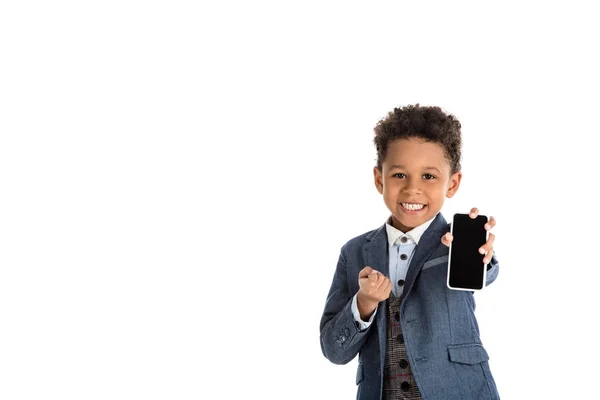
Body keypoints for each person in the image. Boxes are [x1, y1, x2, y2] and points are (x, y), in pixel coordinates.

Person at [319, 104, 500, 400]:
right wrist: (363, 303)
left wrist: (483, 256)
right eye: (399, 175)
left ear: (452, 183)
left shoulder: (456, 242)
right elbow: (334, 350)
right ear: (380, 179)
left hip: (460, 391)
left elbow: (488, 271)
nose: (412, 189)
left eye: (428, 176)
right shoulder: (353, 252)